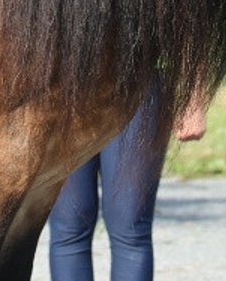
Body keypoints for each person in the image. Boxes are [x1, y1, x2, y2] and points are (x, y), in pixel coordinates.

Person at [45, 86, 211, 281]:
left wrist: (194, 97)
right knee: (68, 228)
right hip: (64, 90)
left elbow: (187, 52)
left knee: (130, 228)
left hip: (136, 86)